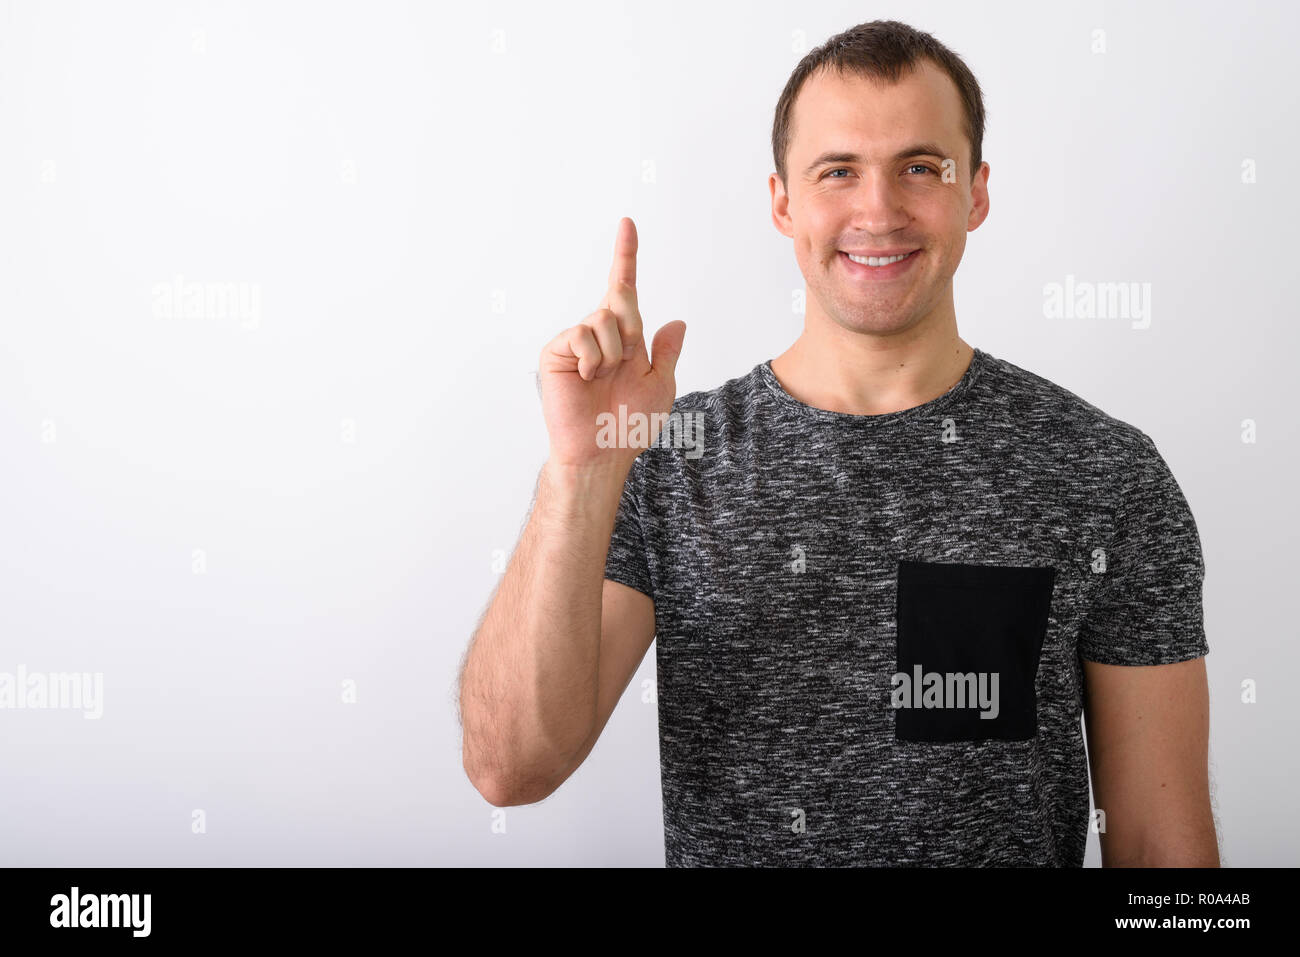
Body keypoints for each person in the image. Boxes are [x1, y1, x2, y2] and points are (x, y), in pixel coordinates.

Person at [458, 19, 1218, 867]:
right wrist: (581, 471)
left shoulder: (1104, 474)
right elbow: (510, 768)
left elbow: (1161, 853)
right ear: (783, 200)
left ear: (977, 193)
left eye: (921, 168)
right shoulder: (668, 461)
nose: (879, 211)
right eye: (838, 172)